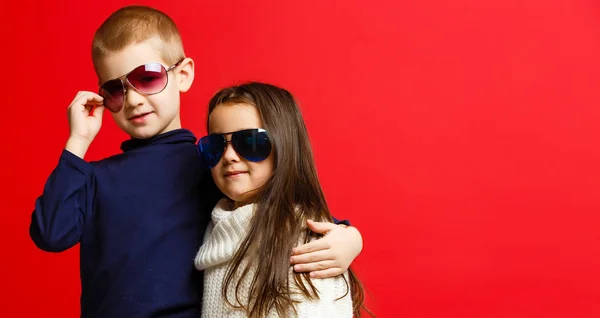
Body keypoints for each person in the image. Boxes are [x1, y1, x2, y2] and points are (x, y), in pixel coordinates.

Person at [29, 6, 364, 317]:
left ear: (183, 74)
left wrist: (349, 237)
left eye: (147, 78)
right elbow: (51, 234)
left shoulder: (212, 162)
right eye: (115, 89)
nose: (133, 99)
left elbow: (285, 211)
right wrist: (78, 141)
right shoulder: (95, 178)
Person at [195, 82, 369, 317]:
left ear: (284, 146)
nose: (228, 156)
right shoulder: (215, 226)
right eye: (214, 146)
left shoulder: (309, 244)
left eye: (250, 142)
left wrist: (352, 237)